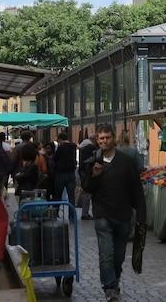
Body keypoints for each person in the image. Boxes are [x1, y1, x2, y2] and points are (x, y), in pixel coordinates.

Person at [81, 124, 146, 302]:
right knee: (106, 254)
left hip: (123, 215)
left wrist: (141, 215)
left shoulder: (126, 161)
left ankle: (114, 280)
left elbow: (136, 189)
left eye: (107, 138)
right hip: (102, 215)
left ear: (113, 139)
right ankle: (109, 288)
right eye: (101, 139)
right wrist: (94, 175)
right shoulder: (93, 161)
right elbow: (86, 188)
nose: (104, 141)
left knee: (118, 256)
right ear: (97, 140)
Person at [52, 132, 78, 204]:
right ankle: (72, 214)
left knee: (58, 195)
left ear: (60, 139)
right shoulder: (73, 146)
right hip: (71, 173)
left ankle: (56, 212)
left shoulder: (61, 147)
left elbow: (55, 158)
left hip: (61, 173)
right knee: (71, 196)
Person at [77, 134, 97, 219]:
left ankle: (85, 213)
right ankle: (85, 213)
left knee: (86, 192)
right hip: (88, 173)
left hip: (82, 171)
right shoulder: (91, 148)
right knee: (88, 193)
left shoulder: (83, 147)